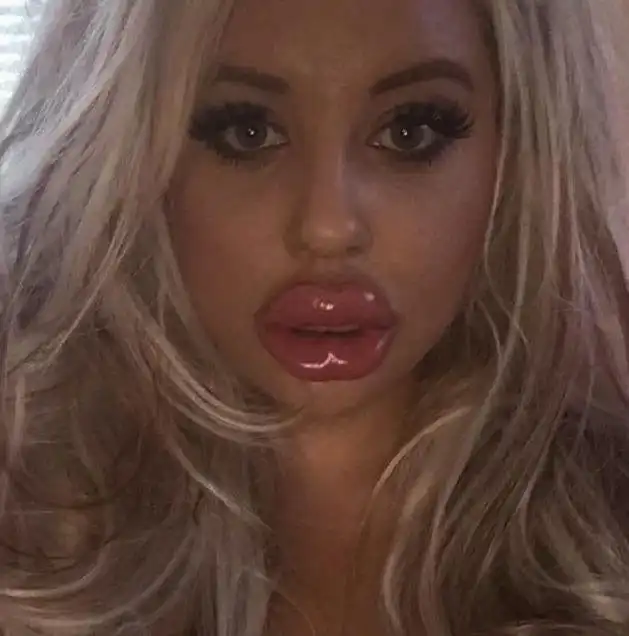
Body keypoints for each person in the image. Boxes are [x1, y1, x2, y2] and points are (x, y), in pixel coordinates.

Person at [1, 0, 629, 634]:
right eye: (246, 131)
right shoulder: (27, 523)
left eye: (411, 131)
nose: (328, 227)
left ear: (513, 152)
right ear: (134, 158)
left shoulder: (606, 534)